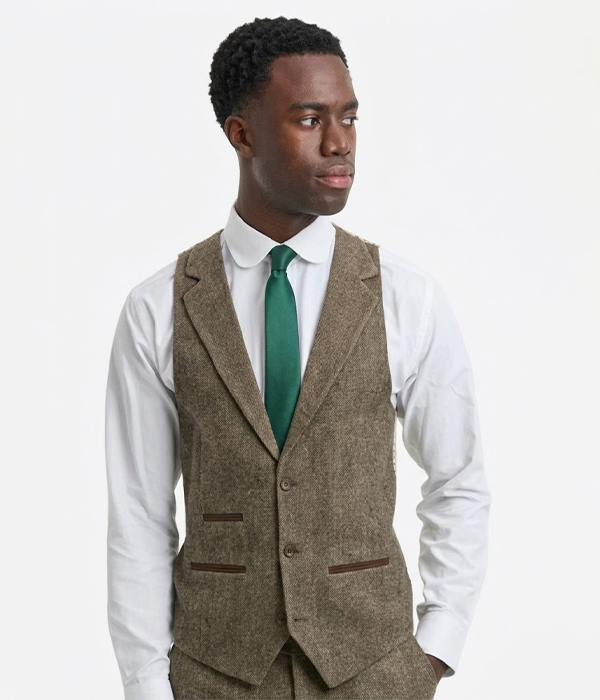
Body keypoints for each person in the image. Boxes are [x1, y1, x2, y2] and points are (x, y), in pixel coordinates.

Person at [105, 16, 491, 700]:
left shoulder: (404, 295)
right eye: (310, 119)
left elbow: (458, 478)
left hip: (375, 672)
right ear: (242, 134)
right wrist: (146, 684)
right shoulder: (158, 307)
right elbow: (138, 512)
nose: (340, 142)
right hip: (215, 676)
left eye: (349, 117)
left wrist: (436, 647)